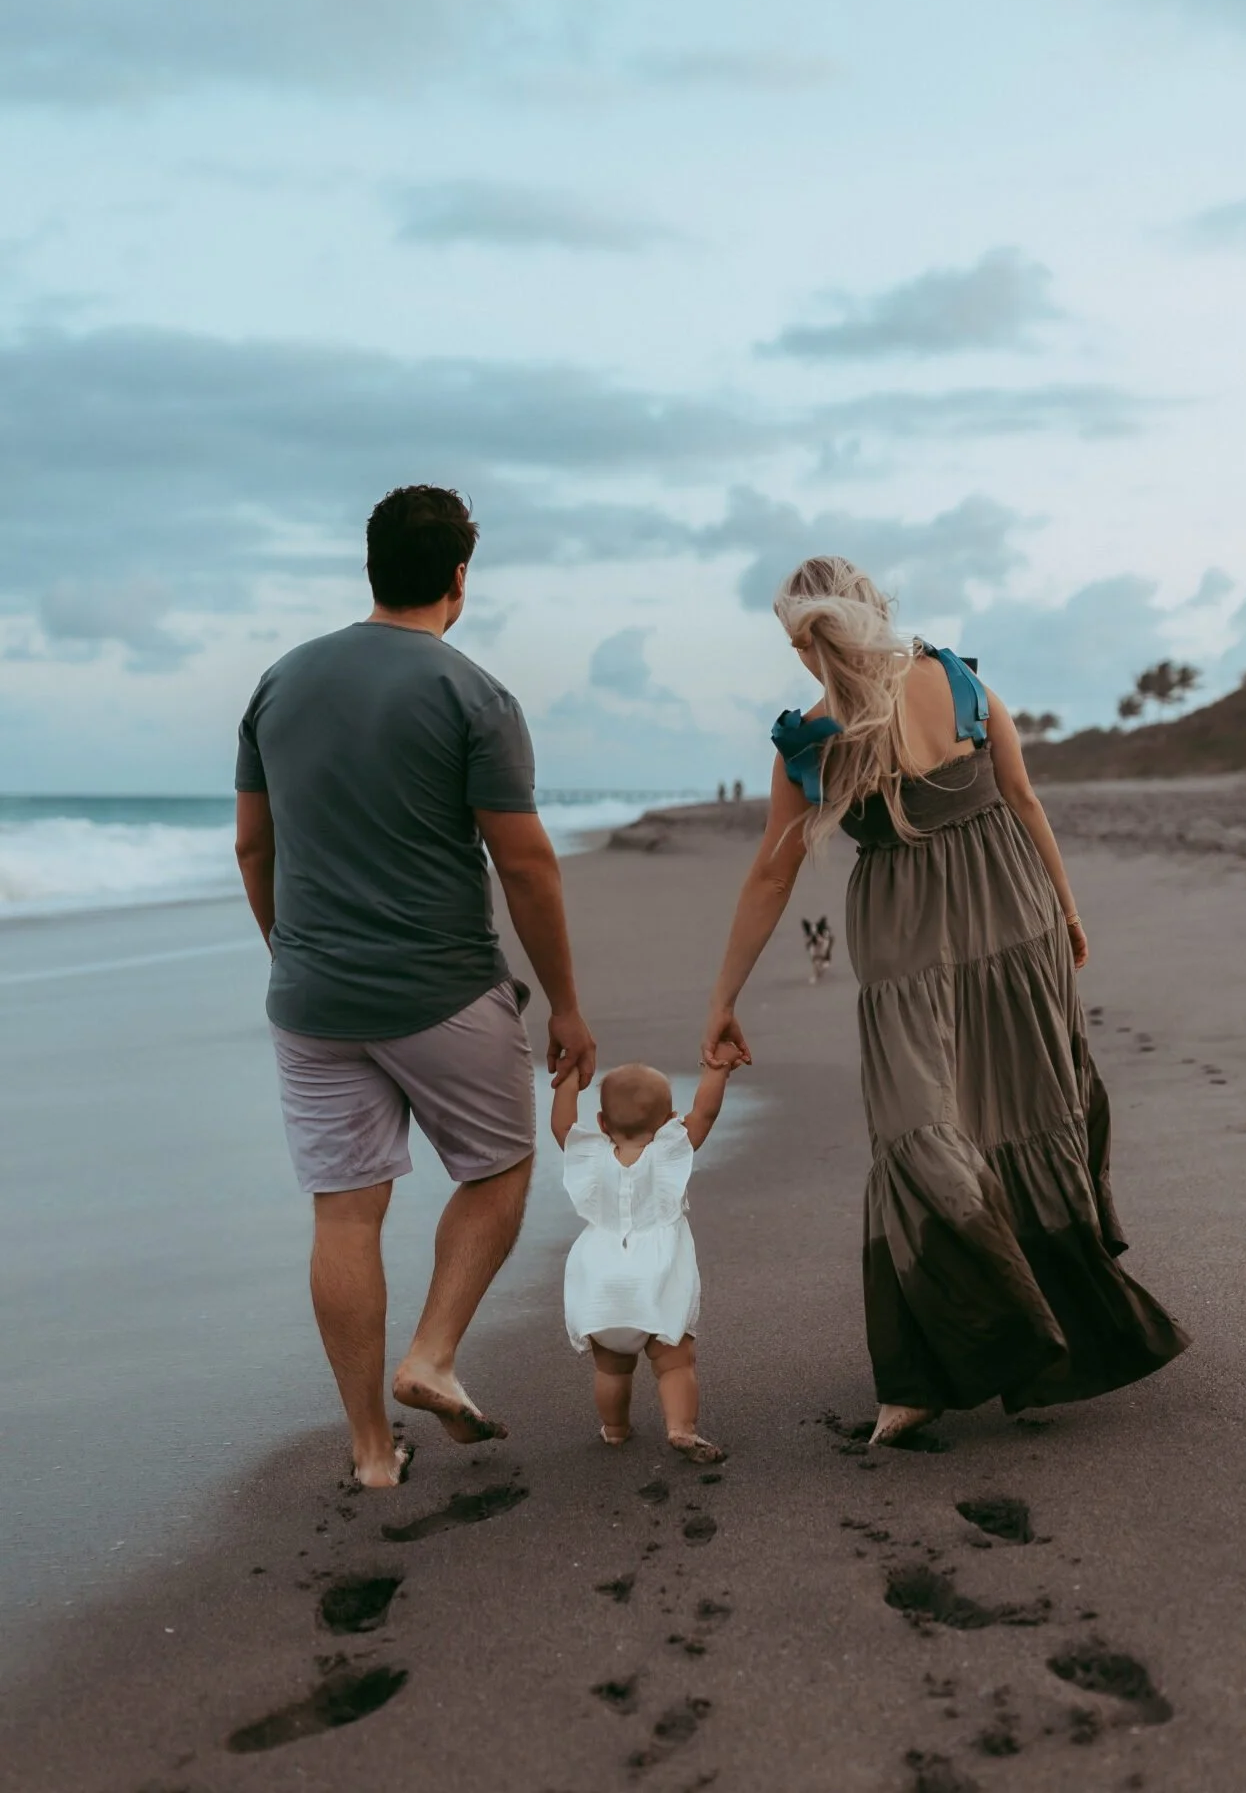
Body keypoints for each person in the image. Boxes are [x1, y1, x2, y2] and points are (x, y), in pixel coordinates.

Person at [701, 556, 1188, 1446]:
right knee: (1025, 1114)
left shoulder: (811, 740)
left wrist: (724, 999)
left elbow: (770, 880)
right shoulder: (961, 682)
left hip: (910, 947)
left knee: (918, 1135)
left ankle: (927, 1374)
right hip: (1014, 916)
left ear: (809, 638)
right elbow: (1025, 801)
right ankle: (1052, 1332)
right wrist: (1068, 912)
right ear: (873, 608)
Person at [234, 484, 596, 1487]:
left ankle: (366, 1452)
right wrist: (563, 1002)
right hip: (440, 986)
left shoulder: (277, 683)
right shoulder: (473, 694)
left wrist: (290, 952)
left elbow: (252, 842)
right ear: (457, 578)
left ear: (370, 567)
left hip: (310, 997)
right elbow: (524, 864)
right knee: (499, 1166)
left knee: (344, 1213)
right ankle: (430, 1354)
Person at [551, 1054, 741, 1462]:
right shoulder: (668, 1153)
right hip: (657, 1280)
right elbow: (704, 1112)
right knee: (674, 1365)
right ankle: (681, 1427)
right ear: (669, 1119)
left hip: (602, 1282)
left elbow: (562, 1128)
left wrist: (568, 1079)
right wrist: (716, 1070)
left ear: (601, 1123)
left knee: (611, 1369)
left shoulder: (591, 1157)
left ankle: (615, 1430)